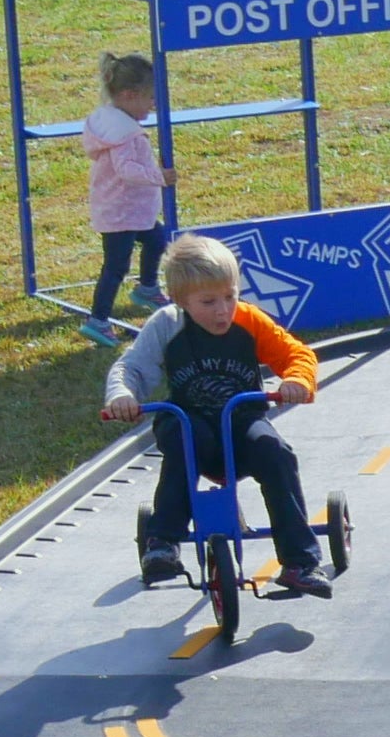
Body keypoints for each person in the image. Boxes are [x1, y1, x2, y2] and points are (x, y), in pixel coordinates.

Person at [101, 236, 328, 597]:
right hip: (189, 418)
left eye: (230, 296)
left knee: (276, 453)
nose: (223, 311)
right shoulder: (166, 324)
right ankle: (163, 541)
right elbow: (132, 369)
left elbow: (296, 354)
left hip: (241, 421)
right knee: (184, 439)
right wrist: (123, 397)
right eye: (208, 302)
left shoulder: (249, 321)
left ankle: (300, 560)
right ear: (181, 300)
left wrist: (295, 380)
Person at [81, 54, 174, 348]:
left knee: (158, 239)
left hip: (132, 211)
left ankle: (147, 287)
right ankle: (98, 320)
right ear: (129, 95)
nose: (154, 104)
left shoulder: (114, 122)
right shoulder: (123, 134)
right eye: (150, 98)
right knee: (116, 266)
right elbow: (126, 170)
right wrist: (158, 175)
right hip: (120, 214)